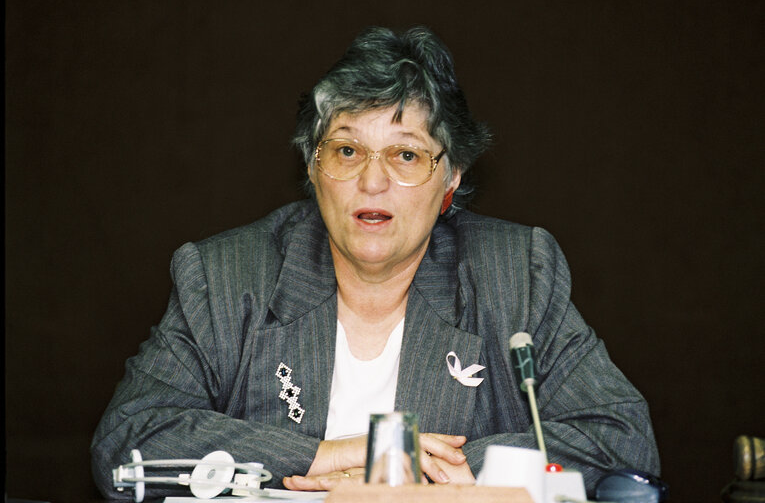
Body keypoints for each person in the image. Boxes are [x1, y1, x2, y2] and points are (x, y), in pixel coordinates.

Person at [91, 26, 660, 498]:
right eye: (347, 150)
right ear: (313, 170)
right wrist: (324, 455)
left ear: (451, 179)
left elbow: (622, 437)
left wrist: (429, 467)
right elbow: (128, 440)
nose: (372, 181)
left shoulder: (516, 275)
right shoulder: (225, 277)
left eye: (406, 154)